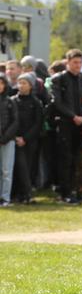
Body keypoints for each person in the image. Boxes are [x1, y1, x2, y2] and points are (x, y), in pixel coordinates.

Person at [51, 49, 82, 205]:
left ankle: (78, 191)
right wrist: (73, 116)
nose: (78, 66)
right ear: (67, 62)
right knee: (66, 159)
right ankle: (65, 193)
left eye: (80, 63)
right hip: (65, 124)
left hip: (80, 125)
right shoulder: (59, 79)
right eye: (75, 62)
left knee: (79, 159)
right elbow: (57, 102)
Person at [11, 73, 43, 204]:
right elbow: (10, 120)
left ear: (31, 85)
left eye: (25, 83)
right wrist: (15, 137)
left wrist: (25, 138)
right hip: (14, 139)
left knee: (27, 167)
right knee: (20, 166)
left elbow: (38, 123)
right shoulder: (12, 100)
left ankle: (23, 194)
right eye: (20, 82)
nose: (21, 85)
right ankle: (25, 194)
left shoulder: (36, 102)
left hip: (29, 140)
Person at [0, 73, 18, 206]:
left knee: (6, 171)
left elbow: (15, 122)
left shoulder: (10, 101)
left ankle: (5, 198)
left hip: (8, 140)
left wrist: (5, 138)